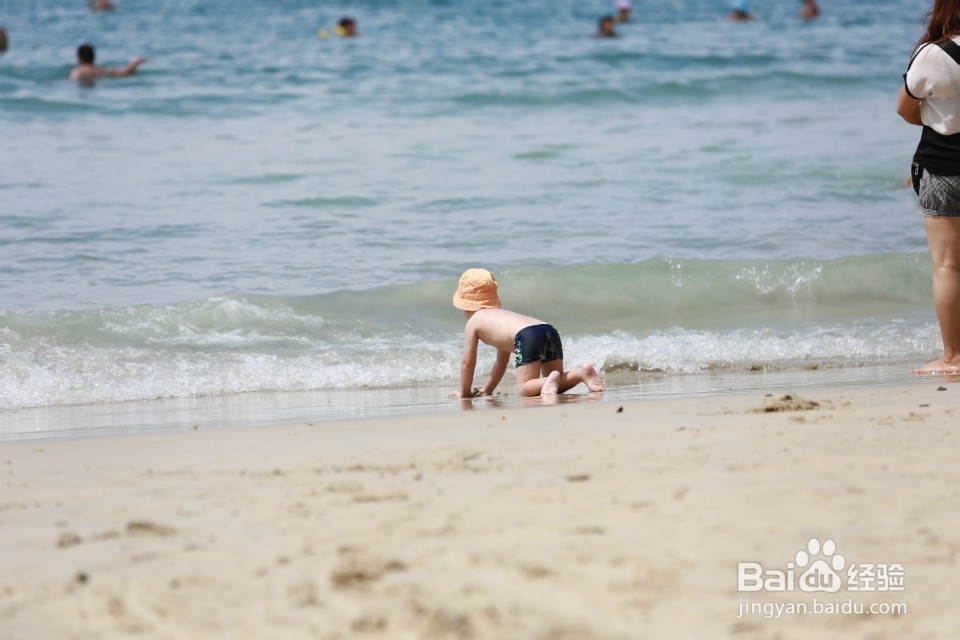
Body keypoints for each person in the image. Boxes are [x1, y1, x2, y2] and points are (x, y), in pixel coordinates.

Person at [898, 0, 960, 375]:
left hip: (943, 168)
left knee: (948, 266)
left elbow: (905, 110)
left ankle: (953, 357)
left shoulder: (932, 54)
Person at [451, 268, 606, 399]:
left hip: (527, 336)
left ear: (466, 307)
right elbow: (501, 362)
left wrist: (464, 392)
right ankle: (582, 372)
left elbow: (467, 363)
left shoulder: (474, 322)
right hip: (548, 330)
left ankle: (577, 374)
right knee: (554, 383)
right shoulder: (502, 316)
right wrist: (487, 389)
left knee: (525, 389)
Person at [70, 43, 145, 84]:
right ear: (94, 57)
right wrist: (135, 63)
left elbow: (72, 82)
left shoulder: (78, 71)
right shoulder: (100, 70)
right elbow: (125, 73)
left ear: (79, 57)